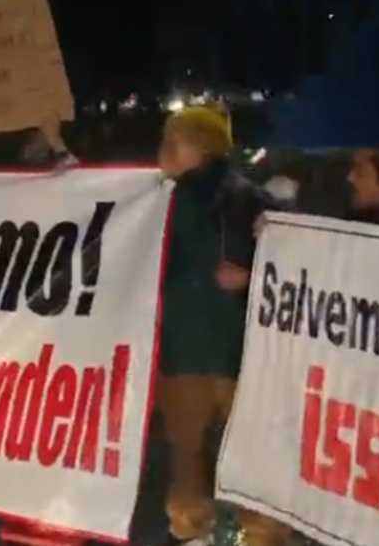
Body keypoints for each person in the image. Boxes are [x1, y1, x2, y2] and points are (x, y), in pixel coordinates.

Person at [153, 104, 291, 546]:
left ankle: (263, 536)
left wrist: (252, 279)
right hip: (184, 352)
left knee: (252, 461)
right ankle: (191, 531)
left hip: (238, 355)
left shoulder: (254, 201)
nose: (163, 151)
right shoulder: (155, 201)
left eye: (173, 141)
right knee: (187, 455)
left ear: (201, 145)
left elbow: (295, 274)